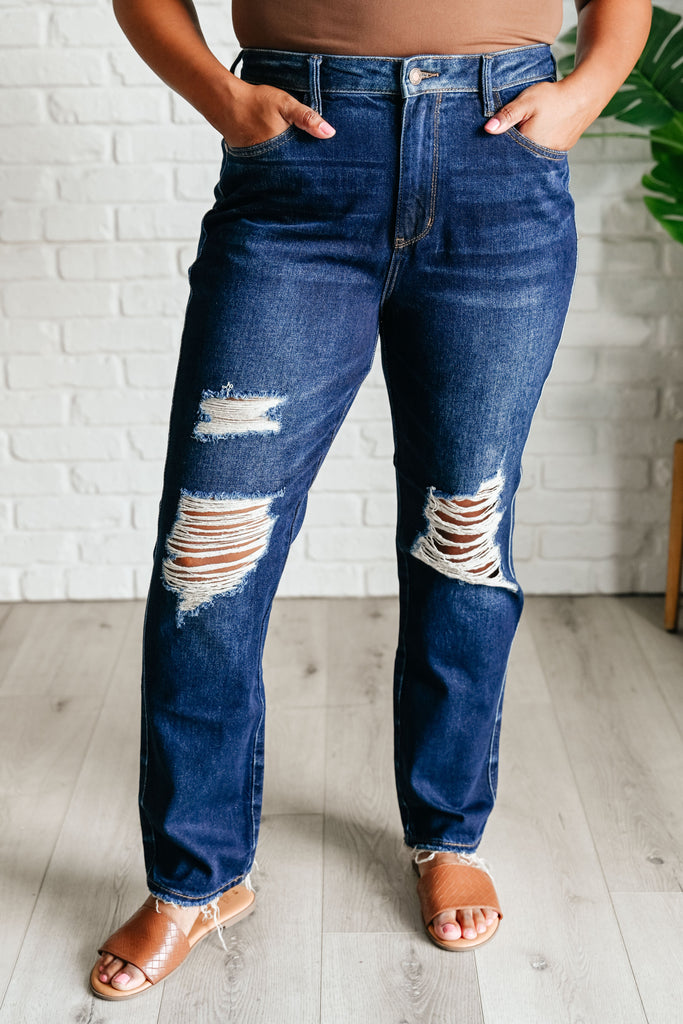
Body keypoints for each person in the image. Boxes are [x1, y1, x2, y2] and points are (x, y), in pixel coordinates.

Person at [90, 0, 652, 1000]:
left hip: (496, 164)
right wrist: (222, 98)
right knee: (208, 555)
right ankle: (196, 877)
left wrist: (583, 93)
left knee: (462, 532)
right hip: (300, 169)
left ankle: (446, 833)